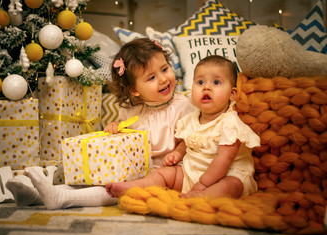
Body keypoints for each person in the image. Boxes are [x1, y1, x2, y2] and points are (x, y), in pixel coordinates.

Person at [6, 38, 196, 209]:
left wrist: (176, 153)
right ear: (134, 90)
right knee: (98, 179)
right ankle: (35, 196)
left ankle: (62, 198)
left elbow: (193, 140)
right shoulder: (132, 109)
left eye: (164, 69)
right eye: (152, 78)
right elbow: (125, 139)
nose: (163, 79)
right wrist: (115, 128)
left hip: (167, 173)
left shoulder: (183, 106)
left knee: (113, 190)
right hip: (135, 170)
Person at [106, 55, 261, 199]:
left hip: (227, 174)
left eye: (216, 82)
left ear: (232, 94)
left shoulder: (230, 123)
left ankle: (202, 198)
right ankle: (136, 187)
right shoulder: (191, 119)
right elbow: (186, 142)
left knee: (231, 186)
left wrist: (204, 185)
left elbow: (224, 159)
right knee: (164, 173)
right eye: (200, 82)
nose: (206, 87)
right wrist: (178, 154)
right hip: (192, 173)